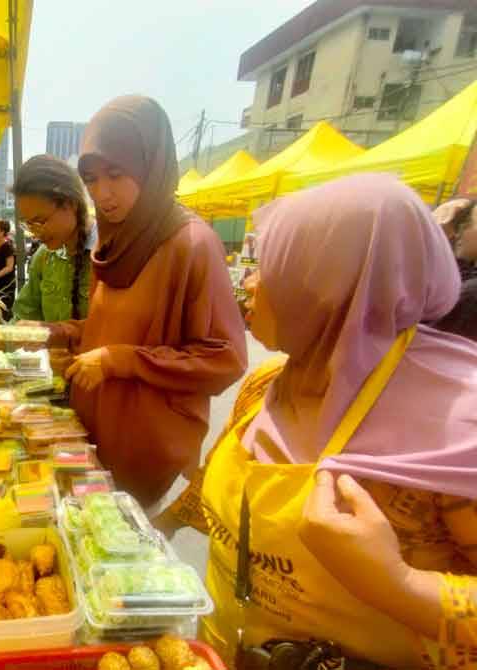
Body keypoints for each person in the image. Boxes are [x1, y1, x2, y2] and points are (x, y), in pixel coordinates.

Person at [166, 175, 477, 668]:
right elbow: (220, 484)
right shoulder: (267, 384)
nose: (249, 283)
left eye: (270, 268)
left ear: (331, 288)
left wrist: (400, 584)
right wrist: (153, 528)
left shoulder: (457, 425)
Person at [50, 96, 247, 506]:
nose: (102, 193)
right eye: (91, 179)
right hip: (94, 435)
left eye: (115, 174)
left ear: (149, 164)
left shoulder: (192, 245)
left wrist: (120, 360)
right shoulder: (115, 241)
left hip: (147, 450)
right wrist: (63, 335)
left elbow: (224, 359)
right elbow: (115, 327)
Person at [0, 155, 95, 371]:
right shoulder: (44, 257)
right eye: (28, 224)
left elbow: (119, 333)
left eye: (40, 221)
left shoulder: (108, 256)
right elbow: (25, 316)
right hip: (60, 380)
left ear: (70, 204)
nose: (35, 233)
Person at [431, 196, 477, 340]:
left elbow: (425, 338)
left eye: (468, 223)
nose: (459, 231)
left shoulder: (471, 295)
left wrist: (434, 235)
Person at [0, 220, 17, 319]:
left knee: (3, 312)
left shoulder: (7, 246)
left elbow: (9, 267)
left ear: (2, 232)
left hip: (6, 285)